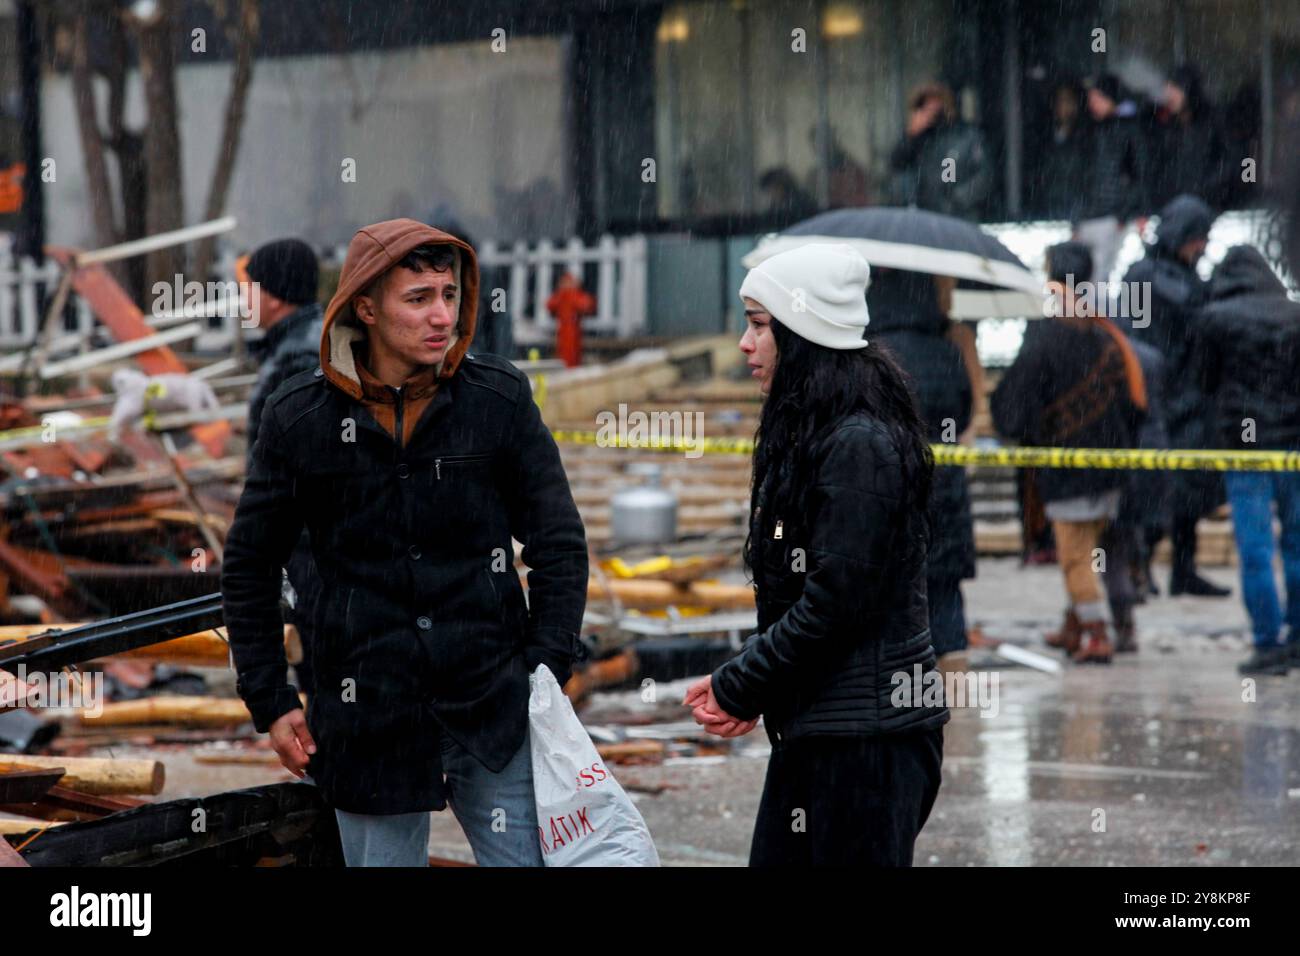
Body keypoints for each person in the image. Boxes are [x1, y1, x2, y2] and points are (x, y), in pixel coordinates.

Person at [221, 218, 588, 867]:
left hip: (490, 707)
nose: (441, 314)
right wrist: (271, 700)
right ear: (365, 304)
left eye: (448, 294)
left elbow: (557, 541)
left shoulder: (496, 401)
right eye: (418, 298)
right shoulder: (300, 419)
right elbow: (250, 565)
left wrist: (545, 667)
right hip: (367, 717)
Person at [684, 243, 948, 866]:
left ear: (801, 332)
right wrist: (752, 686)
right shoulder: (819, 428)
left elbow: (835, 603)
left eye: (758, 324)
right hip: (827, 729)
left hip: (869, 742)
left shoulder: (858, 443)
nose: (745, 345)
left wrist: (741, 683)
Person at [992, 242, 1147, 661]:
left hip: (1068, 467)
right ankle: (1075, 624)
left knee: (1076, 557)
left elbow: (1018, 400)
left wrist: (1011, 424)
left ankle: (1096, 634)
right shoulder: (1102, 329)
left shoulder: (1046, 333)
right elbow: (1134, 402)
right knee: (1091, 549)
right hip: (1111, 462)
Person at [1195, 245, 1300, 675]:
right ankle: (1297, 635)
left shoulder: (1215, 319)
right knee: (1296, 543)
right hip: (1294, 446)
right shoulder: (1294, 315)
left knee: (1255, 549)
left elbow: (1203, 381)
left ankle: (1267, 641)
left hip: (1244, 448)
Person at [867, 268, 976, 669]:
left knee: (893, 583)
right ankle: (952, 679)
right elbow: (962, 414)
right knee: (944, 586)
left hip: (887, 483)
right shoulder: (947, 351)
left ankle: (902, 673)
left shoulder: (870, 353)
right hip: (944, 484)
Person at [1125, 193, 1229, 597]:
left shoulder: (1190, 279)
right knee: (1153, 492)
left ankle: (1182, 569)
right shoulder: (1141, 275)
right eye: (1197, 237)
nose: (1201, 247)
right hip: (1155, 400)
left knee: (1189, 491)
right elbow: (1136, 335)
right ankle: (1141, 564)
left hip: (1189, 401)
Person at [237, 239, 326, 697]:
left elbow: (301, 462)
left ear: (272, 294)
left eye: (248, 287)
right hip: (307, 541)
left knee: (321, 668)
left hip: (312, 545)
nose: (243, 299)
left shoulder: (300, 355)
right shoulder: (302, 341)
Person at [1073, 73, 1148, 283]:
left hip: (1111, 218)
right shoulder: (1087, 131)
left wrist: (1125, 215)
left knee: (1101, 281)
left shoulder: (1128, 131)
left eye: (1098, 97)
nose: (1093, 103)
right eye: (1091, 98)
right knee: (1088, 282)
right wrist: (1076, 221)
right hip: (1090, 217)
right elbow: (1080, 179)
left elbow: (1138, 175)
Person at [889, 82, 993, 221]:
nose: (931, 112)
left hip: (960, 217)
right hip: (924, 216)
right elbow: (897, 167)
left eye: (936, 107)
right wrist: (911, 136)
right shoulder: (919, 140)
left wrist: (957, 199)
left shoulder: (966, 136)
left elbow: (984, 176)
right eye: (925, 108)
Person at [1148, 65, 1230, 210]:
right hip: (1173, 207)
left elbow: (1231, 163)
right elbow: (1157, 167)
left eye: (1174, 90)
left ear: (1188, 91)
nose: (1169, 96)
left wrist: (1203, 190)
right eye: (1167, 90)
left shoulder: (1214, 121)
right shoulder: (1166, 126)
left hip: (1210, 207)